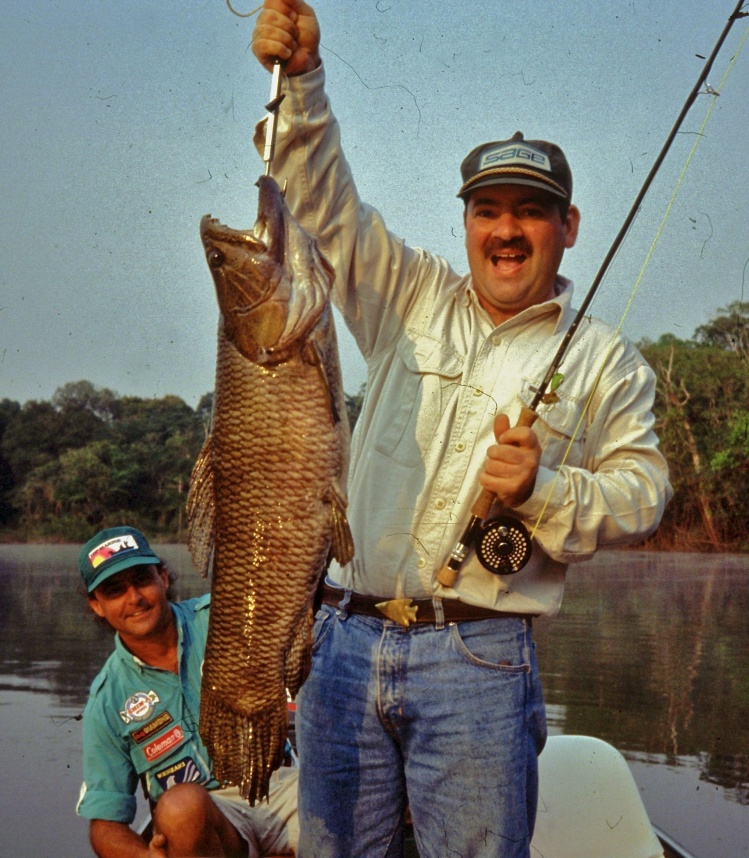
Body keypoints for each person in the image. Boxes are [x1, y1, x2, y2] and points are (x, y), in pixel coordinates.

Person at [251, 3, 672, 857]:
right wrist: (300, 81)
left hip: (480, 657)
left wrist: (544, 488)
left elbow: (643, 494)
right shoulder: (406, 295)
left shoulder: (606, 361)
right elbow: (323, 204)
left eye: (529, 210)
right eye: (488, 208)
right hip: (341, 639)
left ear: (567, 228)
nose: (506, 230)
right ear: (467, 221)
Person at [75, 525, 299, 858]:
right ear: (97, 605)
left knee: (353, 795)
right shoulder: (107, 700)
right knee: (180, 806)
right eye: (115, 591)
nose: (134, 598)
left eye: (142, 579)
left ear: (163, 578)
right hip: (213, 822)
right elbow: (105, 824)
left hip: (281, 785)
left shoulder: (226, 618)